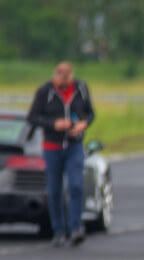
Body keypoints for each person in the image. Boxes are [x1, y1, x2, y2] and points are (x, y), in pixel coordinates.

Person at [27, 62, 96, 247]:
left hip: (74, 146)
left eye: (67, 77)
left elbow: (91, 113)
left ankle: (76, 228)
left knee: (75, 186)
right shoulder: (45, 92)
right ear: (55, 75)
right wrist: (54, 124)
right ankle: (59, 230)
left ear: (71, 75)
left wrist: (83, 124)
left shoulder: (81, 89)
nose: (63, 81)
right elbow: (32, 117)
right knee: (54, 190)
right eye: (60, 76)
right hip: (52, 147)